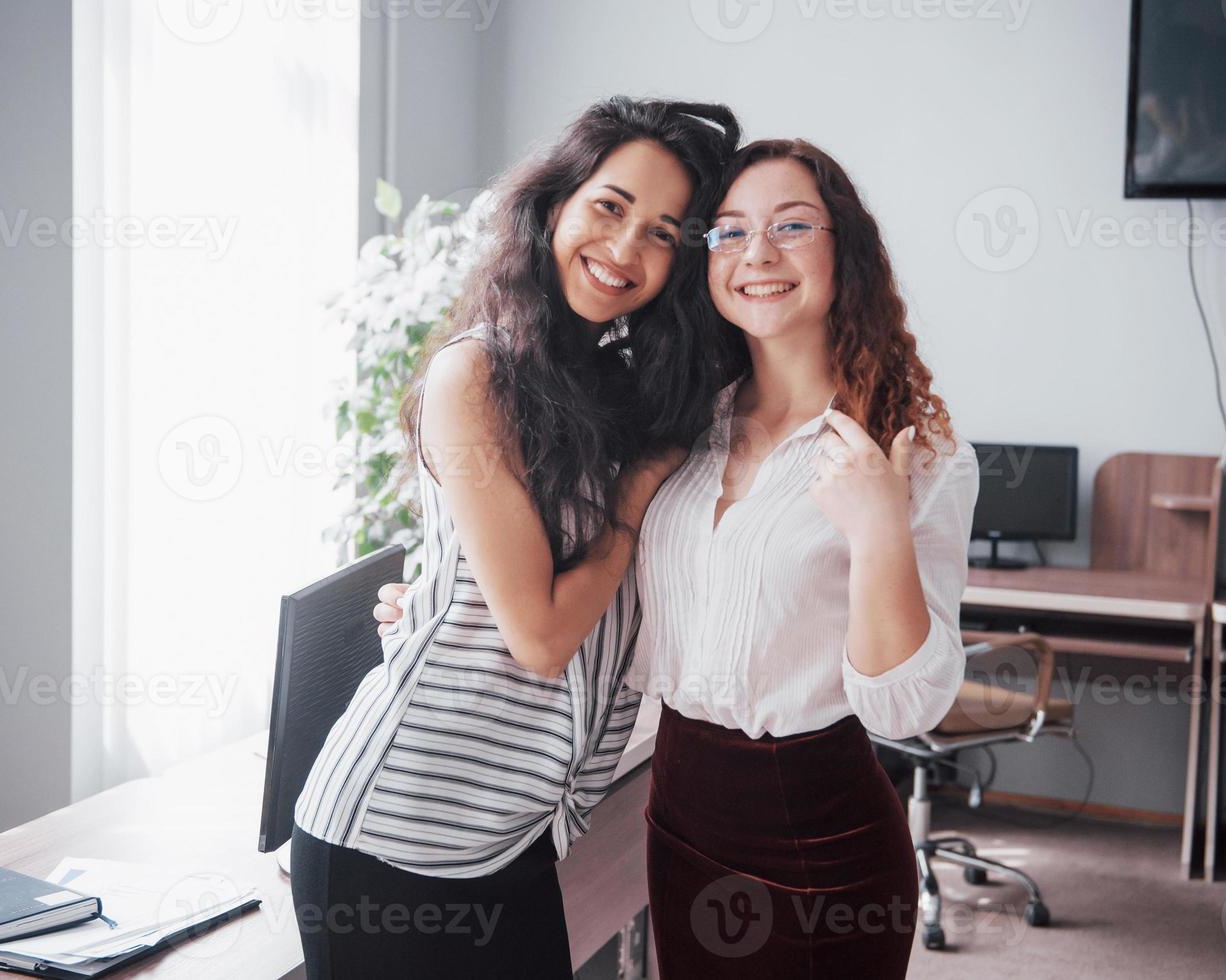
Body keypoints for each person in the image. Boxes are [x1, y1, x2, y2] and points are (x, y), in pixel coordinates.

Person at [378, 136, 978, 979]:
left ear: (848, 249)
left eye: (792, 226)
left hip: (822, 825)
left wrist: (879, 528)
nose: (758, 253)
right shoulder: (675, 423)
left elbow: (907, 707)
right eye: (728, 232)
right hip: (681, 811)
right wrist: (449, 601)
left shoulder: (917, 453)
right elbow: (589, 573)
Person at [290, 96, 740, 980]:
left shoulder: (621, 386)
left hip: (512, 828)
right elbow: (538, 636)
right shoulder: (475, 373)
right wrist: (637, 496)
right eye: (610, 208)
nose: (623, 250)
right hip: (397, 833)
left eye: (662, 233)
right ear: (557, 204)